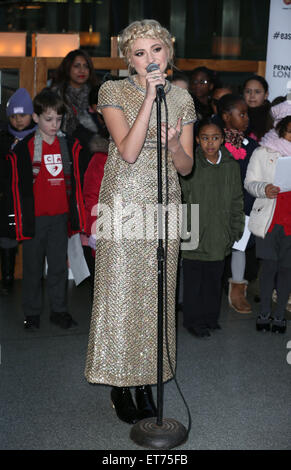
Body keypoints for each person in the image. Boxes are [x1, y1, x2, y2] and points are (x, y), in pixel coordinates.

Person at [84, 19, 196, 425]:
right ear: (128, 58)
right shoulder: (112, 90)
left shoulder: (183, 100)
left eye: (156, 50)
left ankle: (148, 380)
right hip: (125, 199)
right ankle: (120, 382)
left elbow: (185, 167)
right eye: (140, 53)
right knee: (121, 290)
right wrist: (149, 97)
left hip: (165, 201)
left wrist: (171, 145)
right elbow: (128, 151)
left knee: (157, 292)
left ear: (168, 51)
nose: (150, 59)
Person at [6, 89, 85, 330]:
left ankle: (59, 311)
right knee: (32, 268)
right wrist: (19, 220)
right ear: (36, 117)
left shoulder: (68, 145)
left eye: (58, 120)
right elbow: (17, 188)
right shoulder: (24, 148)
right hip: (35, 219)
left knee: (59, 267)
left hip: (60, 217)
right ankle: (32, 314)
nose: (54, 124)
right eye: (48, 119)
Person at [180, 117, 244, 338]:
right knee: (193, 283)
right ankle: (192, 320)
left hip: (219, 234)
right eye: (205, 138)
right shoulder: (189, 165)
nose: (210, 143)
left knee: (213, 281)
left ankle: (210, 318)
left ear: (223, 139)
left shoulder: (231, 166)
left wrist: (235, 228)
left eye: (215, 138)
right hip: (194, 232)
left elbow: (237, 200)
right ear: (197, 140)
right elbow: (180, 199)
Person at [244, 102, 291, 334]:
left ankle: (280, 314)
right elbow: (250, 183)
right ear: (280, 128)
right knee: (269, 268)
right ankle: (264, 311)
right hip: (269, 221)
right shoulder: (263, 152)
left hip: (290, 222)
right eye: (290, 130)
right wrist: (265, 188)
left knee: (286, 270)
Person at [218, 94, 258, 313]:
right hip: (218, 205)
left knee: (239, 248)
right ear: (226, 116)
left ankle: (237, 289)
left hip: (244, 205)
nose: (246, 118)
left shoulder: (252, 145)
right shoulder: (214, 141)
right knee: (214, 250)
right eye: (241, 114)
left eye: (247, 114)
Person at [0, 88, 37, 293]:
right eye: (13, 116)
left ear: (31, 115)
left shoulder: (36, 139)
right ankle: (7, 280)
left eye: (22, 115)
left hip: (30, 198)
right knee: (7, 238)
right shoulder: (4, 138)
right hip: (8, 198)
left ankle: (35, 278)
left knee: (34, 238)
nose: (18, 120)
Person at [50, 49, 97, 138]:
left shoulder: (96, 94)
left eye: (86, 66)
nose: (82, 70)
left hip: (93, 143)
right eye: (77, 66)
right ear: (68, 68)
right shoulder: (55, 94)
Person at [242, 75, 273, 142]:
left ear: (266, 95)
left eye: (257, 92)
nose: (252, 96)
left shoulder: (274, 115)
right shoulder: (237, 114)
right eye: (248, 91)